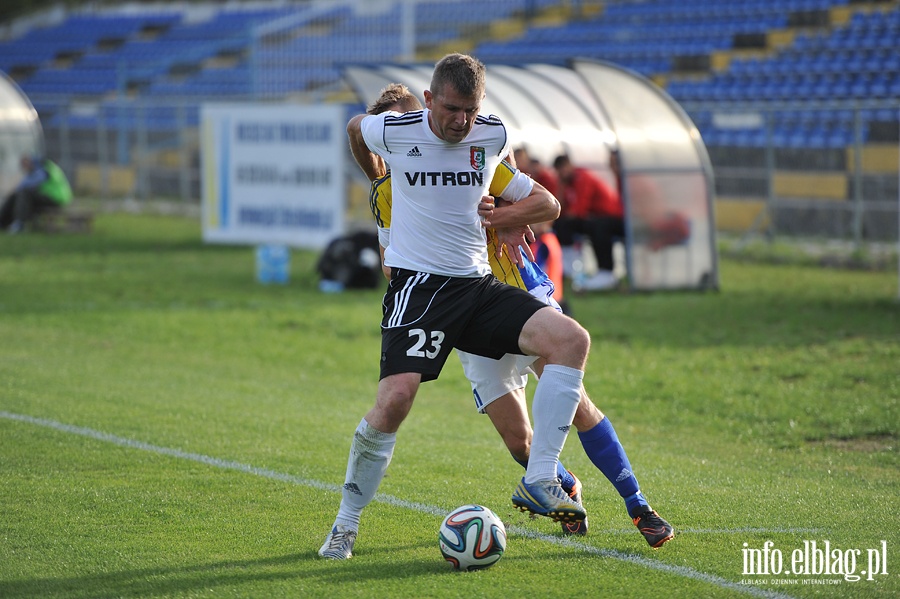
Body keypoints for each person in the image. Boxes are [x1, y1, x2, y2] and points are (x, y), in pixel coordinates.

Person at [321, 57, 673, 560]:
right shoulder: (391, 158)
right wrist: (373, 166)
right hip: (422, 292)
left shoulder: (489, 139)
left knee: (572, 343)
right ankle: (345, 526)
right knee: (397, 400)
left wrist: (504, 215)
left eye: (470, 110)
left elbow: (541, 203)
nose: (461, 121)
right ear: (422, 107)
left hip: (485, 287)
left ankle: (567, 486)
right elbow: (358, 130)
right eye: (451, 109)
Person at [359, 83, 588, 538]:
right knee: (515, 439)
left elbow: (528, 187)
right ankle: (564, 485)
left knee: (576, 374)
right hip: (439, 306)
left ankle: (626, 499)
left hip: (502, 292)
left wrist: (505, 215)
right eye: (394, 128)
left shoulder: (474, 144)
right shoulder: (385, 194)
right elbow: (389, 265)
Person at [552, 153, 624, 291]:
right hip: (595, 219)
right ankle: (566, 267)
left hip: (611, 218)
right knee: (561, 225)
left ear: (569, 165)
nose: (562, 173)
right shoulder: (567, 183)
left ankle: (605, 271)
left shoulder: (582, 178)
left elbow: (579, 210)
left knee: (596, 227)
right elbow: (559, 207)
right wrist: (561, 186)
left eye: (563, 168)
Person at [0, 154, 73, 233]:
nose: (24, 167)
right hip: (48, 197)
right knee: (16, 195)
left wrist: (18, 189)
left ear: (31, 161)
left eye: (25, 164)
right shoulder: (38, 168)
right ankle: (3, 222)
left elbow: (30, 183)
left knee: (24, 193)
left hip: (57, 198)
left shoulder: (44, 167)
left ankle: (19, 224)